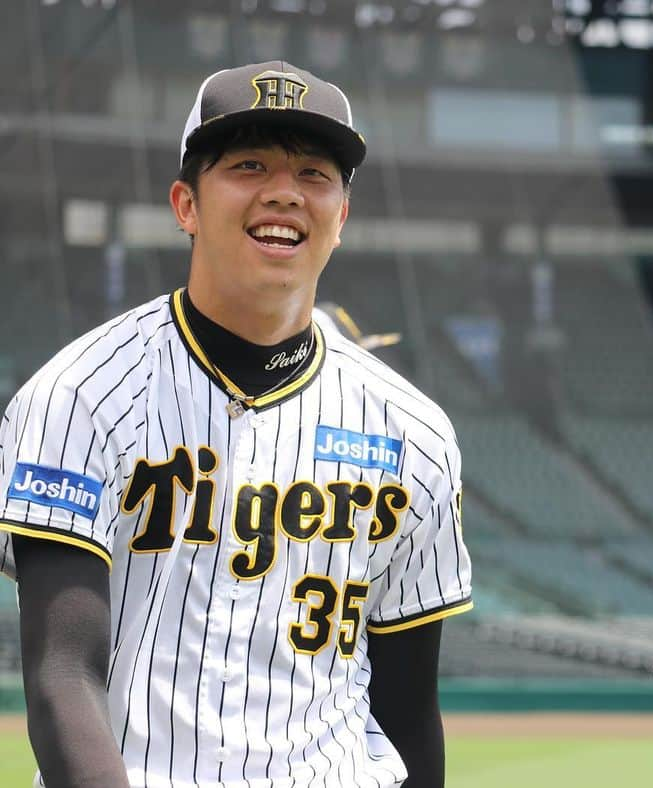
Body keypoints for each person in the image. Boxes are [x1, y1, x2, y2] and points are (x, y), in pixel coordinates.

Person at [0, 61, 471, 788]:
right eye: (248, 164)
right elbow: (63, 677)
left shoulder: (414, 433)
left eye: (314, 173)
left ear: (341, 218)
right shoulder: (77, 397)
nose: (283, 190)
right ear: (185, 204)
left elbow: (408, 709)